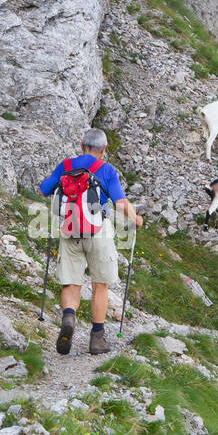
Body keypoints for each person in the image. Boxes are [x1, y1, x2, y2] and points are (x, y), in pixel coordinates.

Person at [39, 128, 142, 355]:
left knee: (71, 283)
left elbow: (43, 190)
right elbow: (121, 203)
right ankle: (97, 340)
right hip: (99, 233)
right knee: (100, 285)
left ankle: (68, 317)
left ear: (81, 145)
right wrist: (136, 219)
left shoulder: (65, 166)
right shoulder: (105, 169)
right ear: (103, 149)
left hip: (69, 231)